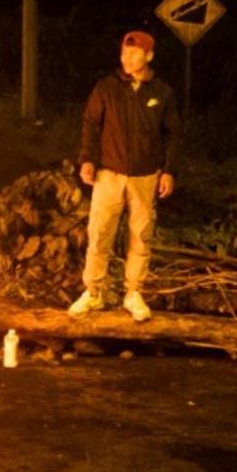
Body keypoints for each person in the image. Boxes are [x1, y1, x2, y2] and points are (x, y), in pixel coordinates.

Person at [71, 30, 177, 323]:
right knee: (99, 233)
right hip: (109, 173)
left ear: (149, 55)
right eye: (123, 53)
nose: (126, 58)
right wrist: (87, 161)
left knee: (141, 237)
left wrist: (168, 169)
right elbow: (91, 125)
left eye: (133, 53)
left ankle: (133, 292)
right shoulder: (107, 88)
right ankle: (93, 291)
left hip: (145, 175)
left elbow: (172, 134)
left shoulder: (161, 92)